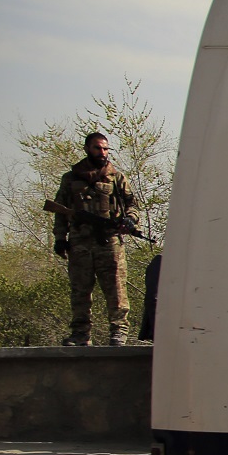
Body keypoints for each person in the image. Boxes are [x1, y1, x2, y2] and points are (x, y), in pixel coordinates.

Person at [52, 132, 137, 345]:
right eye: (98, 148)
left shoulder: (116, 177)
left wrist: (130, 220)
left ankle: (119, 332)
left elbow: (132, 205)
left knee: (116, 290)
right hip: (80, 243)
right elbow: (60, 211)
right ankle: (80, 334)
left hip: (109, 243)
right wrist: (60, 238)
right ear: (87, 149)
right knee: (80, 291)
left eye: (106, 149)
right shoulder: (71, 179)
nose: (103, 153)